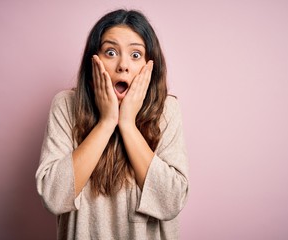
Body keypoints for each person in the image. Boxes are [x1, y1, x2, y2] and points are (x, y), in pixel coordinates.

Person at [36, 9, 189, 240]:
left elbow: (170, 202)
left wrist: (127, 124)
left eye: (135, 55)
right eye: (110, 52)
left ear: (150, 67)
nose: (123, 66)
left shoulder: (166, 110)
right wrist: (107, 122)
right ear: (92, 64)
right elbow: (54, 197)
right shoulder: (65, 105)